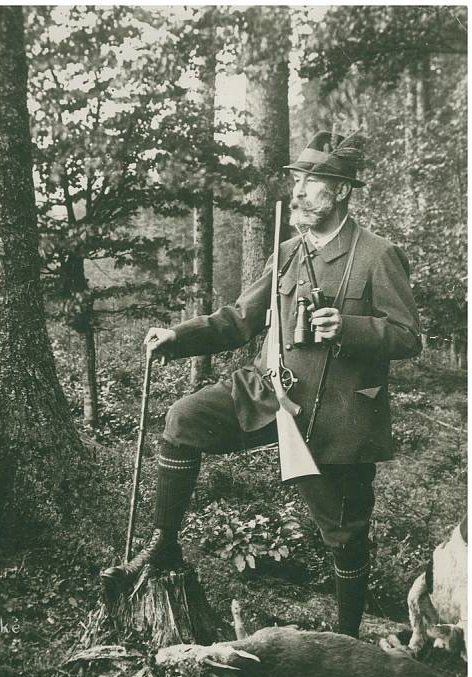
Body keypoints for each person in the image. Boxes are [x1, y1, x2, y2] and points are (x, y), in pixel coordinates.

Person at [102, 130, 421, 639]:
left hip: (336, 411)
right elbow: (238, 320)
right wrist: (176, 336)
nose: (297, 194)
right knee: (183, 418)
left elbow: (409, 337)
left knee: (346, 535)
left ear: (340, 191)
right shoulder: (288, 251)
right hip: (268, 389)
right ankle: (163, 541)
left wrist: (351, 327)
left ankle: (343, 639)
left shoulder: (376, 255)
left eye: (311, 185)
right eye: (296, 183)